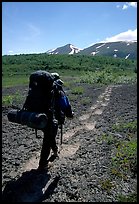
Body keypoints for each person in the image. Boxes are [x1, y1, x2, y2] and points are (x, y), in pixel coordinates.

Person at [38, 73, 74, 171]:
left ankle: (54, 150)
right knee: (47, 139)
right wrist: (70, 115)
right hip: (51, 118)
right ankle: (43, 164)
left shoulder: (42, 89)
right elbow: (65, 105)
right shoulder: (57, 90)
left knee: (49, 136)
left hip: (40, 118)